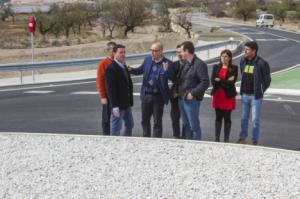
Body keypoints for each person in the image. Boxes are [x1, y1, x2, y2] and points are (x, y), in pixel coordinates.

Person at [129, 42, 173, 138]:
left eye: (155, 51)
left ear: (161, 51)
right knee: (144, 120)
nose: (153, 53)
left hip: (158, 96)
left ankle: (156, 140)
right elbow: (139, 70)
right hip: (146, 95)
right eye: (151, 50)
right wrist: (130, 69)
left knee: (157, 121)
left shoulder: (168, 63)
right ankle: (146, 138)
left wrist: (166, 71)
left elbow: (172, 78)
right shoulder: (147, 60)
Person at [238, 41, 271, 145]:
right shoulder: (243, 61)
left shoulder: (262, 63)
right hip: (244, 95)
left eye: (247, 49)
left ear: (254, 51)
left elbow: (267, 80)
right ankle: (242, 138)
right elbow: (242, 74)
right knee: (244, 119)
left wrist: (260, 91)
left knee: (255, 120)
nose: (245, 51)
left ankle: (254, 140)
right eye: (245, 49)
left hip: (256, 97)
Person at [178, 41, 209, 140]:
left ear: (187, 51)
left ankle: (196, 146)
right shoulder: (185, 63)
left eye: (182, 51)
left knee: (194, 125)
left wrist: (193, 93)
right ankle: (189, 145)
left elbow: (205, 82)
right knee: (186, 124)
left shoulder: (199, 64)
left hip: (192, 100)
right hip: (182, 98)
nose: (180, 54)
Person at [105, 44, 134, 136]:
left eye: (124, 52)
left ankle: (126, 141)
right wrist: (115, 106)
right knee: (116, 127)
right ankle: (114, 143)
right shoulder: (111, 68)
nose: (123, 54)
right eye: (121, 52)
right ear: (114, 53)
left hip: (126, 103)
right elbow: (111, 90)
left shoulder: (124, 66)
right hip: (118, 105)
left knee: (130, 124)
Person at [211, 49, 238, 142]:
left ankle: (226, 139)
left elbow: (231, 83)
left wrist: (220, 81)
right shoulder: (215, 67)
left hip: (228, 96)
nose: (223, 58)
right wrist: (225, 81)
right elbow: (213, 81)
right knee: (218, 117)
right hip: (218, 95)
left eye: (226, 56)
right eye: (222, 56)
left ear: (229, 58)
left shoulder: (234, 68)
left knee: (227, 117)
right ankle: (217, 138)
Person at [96, 41, 117, 135]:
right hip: (107, 95)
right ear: (108, 51)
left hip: (117, 95)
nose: (115, 52)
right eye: (113, 50)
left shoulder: (118, 62)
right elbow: (100, 80)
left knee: (117, 116)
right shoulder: (103, 63)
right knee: (106, 117)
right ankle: (106, 135)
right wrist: (102, 96)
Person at [170, 44, 185, 139]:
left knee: (185, 118)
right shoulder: (174, 65)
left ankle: (184, 135)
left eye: (181, 52)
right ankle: (176, 135)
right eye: (177, 52)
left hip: (185, 95)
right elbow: (172, 79)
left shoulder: (190, 64)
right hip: (175, 95)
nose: (179, 54)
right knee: (175, 117)